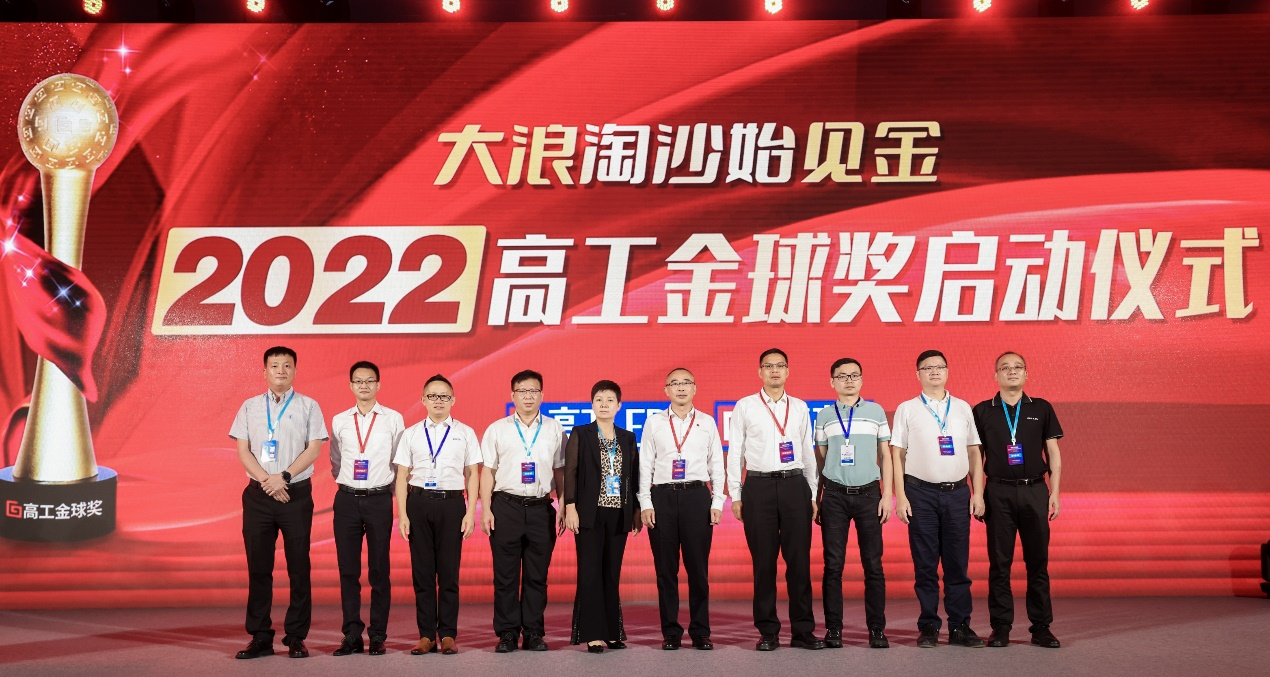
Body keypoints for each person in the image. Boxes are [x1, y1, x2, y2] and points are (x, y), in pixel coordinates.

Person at [229, 346, 328, 659]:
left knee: (299, 567)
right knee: (259, 567)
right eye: (275, 366)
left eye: (287, 365)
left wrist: (283, 477)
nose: (281, 371)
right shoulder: (249, 407)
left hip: (294, 494)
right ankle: (260, 636)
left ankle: (296, 636)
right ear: (265, 371)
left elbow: (314, 449)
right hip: (259, 496)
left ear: (295, 370)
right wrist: (267, 481)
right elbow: (243, 450)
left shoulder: (309, 406)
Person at [727, 348, 824, 651]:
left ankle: (803, 631)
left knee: (799, 562)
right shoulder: (745, 406)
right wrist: (736, 494)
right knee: (764, 563)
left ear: (788, 371)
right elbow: (735, 451)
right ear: (760, 372)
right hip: (758, 487)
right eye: (768, 366)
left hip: (795, 485)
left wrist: (811, 492)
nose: (774, 371)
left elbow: (807, 451)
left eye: (780, 365)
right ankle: (768, 630)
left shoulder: (800, 407)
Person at [892, 349, 986, 649]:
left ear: (947, 371)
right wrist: (900, 497)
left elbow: (974, 452)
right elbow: (897, 454)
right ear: (917, 374)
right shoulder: (907, 408)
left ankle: (960, 627)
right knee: (925, 564)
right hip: (920, 494)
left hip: (958, 494)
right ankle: (929, 626)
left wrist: (978, 492)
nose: (934, 372)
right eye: (927, 368)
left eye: (939, 367)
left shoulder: (962, 407)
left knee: (957, 564)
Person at [972, 352, 1064, 649]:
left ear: (1026, 374)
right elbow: (975, 457)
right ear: (996, 375)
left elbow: (1053, 453)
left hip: (1035, 490)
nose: (1012, 372)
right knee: (1000, 563)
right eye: (1005, 368)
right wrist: (977, 493)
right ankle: (1000, 627)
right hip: (997, 492)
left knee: (1038, 562)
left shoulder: (1041, 407)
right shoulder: (983, 411)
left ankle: (1041, 627)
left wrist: (1055, 492)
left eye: (1018, 367)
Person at [479, 369, 568, 653]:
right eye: (522, 391)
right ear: (512, 395)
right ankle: (507, 633)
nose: (528, 396)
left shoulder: (555, 429)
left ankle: (533, 632)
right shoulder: (497, 429)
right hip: (506, 507)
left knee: (536, 576)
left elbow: (560, 471)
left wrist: (563, 504)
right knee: (505, 576)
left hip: (541, 508)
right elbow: (487, 472)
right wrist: (485, 509)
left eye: (533, 391)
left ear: (542, 395)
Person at [395, 374, 483, 656]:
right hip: (419, 503)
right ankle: (425, 635)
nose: (438, 401)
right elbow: (401, 476)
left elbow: (472, 474)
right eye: (432, 396)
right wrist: (403, 514)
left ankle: (447, 634)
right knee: (422, 573)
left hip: (452, 504)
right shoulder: (411, 433)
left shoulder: (465, 432)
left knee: (448, 574)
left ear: (453, 400)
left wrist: (470, 512)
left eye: (444, 396)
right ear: (423, 400)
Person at [638, 368, 725, 651]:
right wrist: (645, 502)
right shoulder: (654, 422)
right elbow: (645, 464)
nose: (681, 388)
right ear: (666, 390)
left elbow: (717, 464)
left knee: (698, 570)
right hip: (662, 497)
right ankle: (671, 632)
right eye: (674, 383)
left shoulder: (707, 422)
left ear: (695, 388)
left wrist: (717, 501)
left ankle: (700, 631)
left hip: (696, 497)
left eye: (686, 382)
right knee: (666, 570)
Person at [814, 357, 893, 649]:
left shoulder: (875, 412)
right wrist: (820, 496)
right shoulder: (824, 415)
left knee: (873, 565)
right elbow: (821, 458)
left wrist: (887, 494)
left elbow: (885, 455)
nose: (849, 380)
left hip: (869, 495)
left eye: (854, 375)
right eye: (842, 376)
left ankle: (877, 630)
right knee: (833, 566)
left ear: (861, 379)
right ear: (832, 381)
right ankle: (833, 629)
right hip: (834, 496)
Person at [329, 361, 405, 656]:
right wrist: (349, 483)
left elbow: (399, 461)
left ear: (378, 385)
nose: (364, 385)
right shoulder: (339, 420)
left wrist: (388, 491)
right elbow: (336, 460)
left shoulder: (393, 419)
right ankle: (351, 634)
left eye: (369, 381)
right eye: (358, 381)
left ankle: (377, 634)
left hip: (379, 499)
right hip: (346, 499)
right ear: (350, 386)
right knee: (348, 570)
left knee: (379, 569)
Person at [564, 380, 642, 653]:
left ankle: (611, 632)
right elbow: (571, 472)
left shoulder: (627, 437)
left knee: (611, 573)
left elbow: (633, 477)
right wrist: (570, 507)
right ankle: (592, 634)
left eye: (610, 400)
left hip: (618, 513)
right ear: (592, 404)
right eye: (599, 399)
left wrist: (635, 511)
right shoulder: (581, 433)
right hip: (589, 513)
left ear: (619, 405)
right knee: (590, 573)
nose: (604, 404)